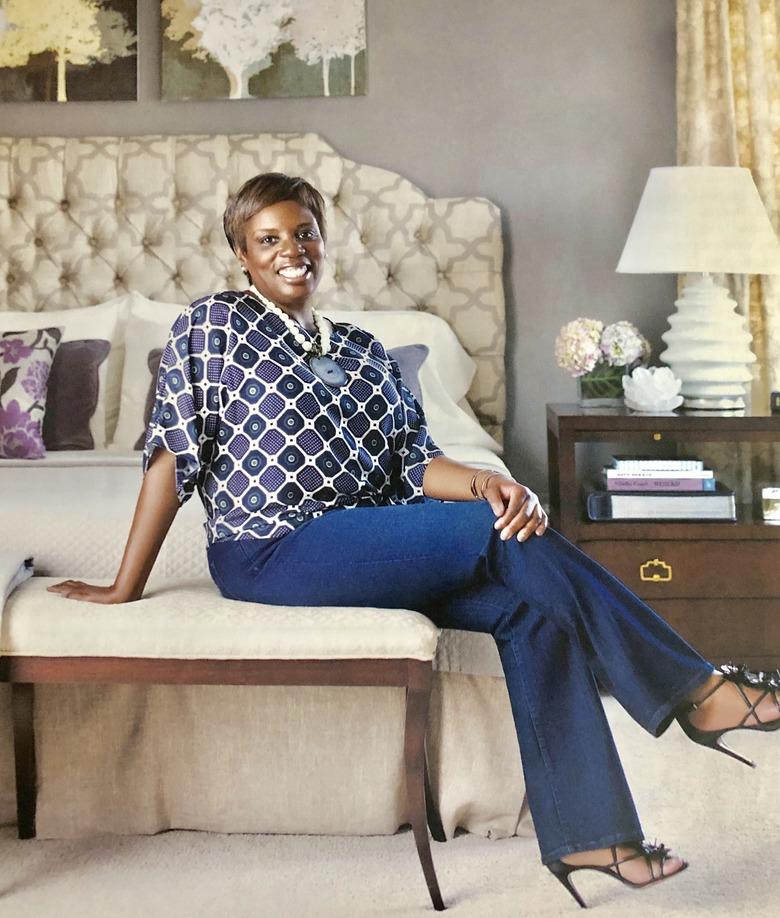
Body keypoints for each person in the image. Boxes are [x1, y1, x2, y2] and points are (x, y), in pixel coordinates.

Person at [48, 173, 780, 908]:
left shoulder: (367, 350)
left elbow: (413, 462)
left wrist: (490, 483)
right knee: (498, 535)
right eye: (268, 239)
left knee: (529, 602)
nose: (291, 250)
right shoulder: (213, 326)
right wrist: (124, 584)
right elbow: (175, 454)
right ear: (240, 252)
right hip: (269, 549)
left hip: (366, 540)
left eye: (303, 232)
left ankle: (593, 835)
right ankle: (695, 690)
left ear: (324, 240)